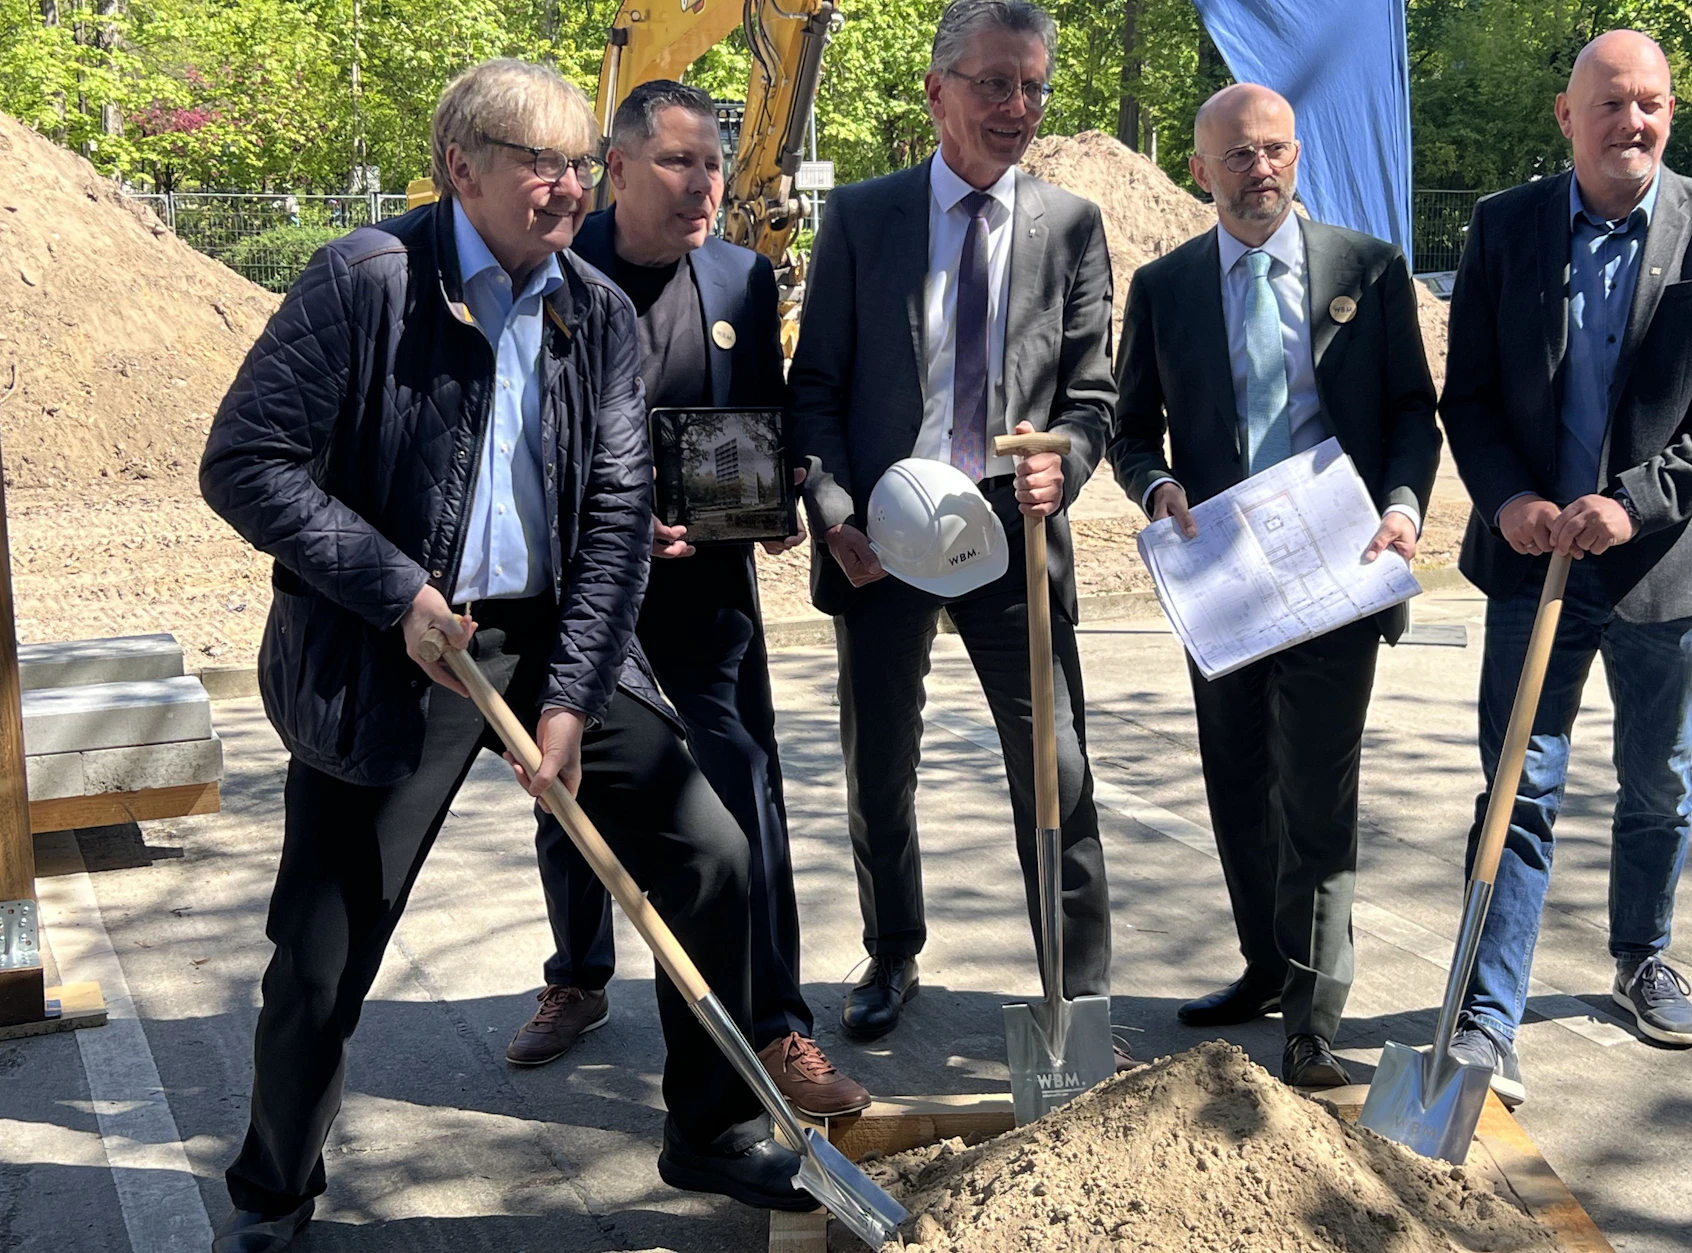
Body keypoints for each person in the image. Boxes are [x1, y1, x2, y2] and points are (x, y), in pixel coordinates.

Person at [199, 59, 817, 1253]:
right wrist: (395, 591)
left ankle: (710, 1127)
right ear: (458, 168)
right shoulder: (365, 282)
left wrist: (576, 697)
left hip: (544, 637)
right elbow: (245, 462)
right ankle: (274, 1193)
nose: (567, 186)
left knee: (712, 855)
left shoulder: (592, 310)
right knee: (324, 950)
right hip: (392, 651)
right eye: (539, 163)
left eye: (579, 162)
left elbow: (615, 518)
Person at [507, 78, 869, 1118]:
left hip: (707, 591)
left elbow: (761, 417)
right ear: (615, 168)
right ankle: (576, 973)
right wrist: (608, 527)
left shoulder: (744, 281)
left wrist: (778, 496)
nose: (703, 182)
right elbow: (521, 448)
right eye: (677, 161)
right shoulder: (552, 281)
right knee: (567, 781)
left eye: (711, 161)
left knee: (744, 788)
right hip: (580, 594)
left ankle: (776, 1024)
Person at [1440, 30, 1692, 1104]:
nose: (1632, 123)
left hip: (1659, 565)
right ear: (1564, 114)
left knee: (1657, 780)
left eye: (1651, 105)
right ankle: (1487, 1017)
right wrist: (1512, 501)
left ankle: (1641, 952)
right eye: (1610, 104)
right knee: (1516, 784)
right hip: (1531, 559)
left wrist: (1630, 503)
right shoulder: (1503, 227)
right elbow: (1473, 395)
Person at [789, 0, 1124, 1057]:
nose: (1015, 107)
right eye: (993, 84)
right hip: (882, 539)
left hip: (1009, 543)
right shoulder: (861, 218)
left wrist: (1060, 464)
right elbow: (817, 389)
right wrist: (835, 513)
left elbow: (1092, 395)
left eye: (1031, 87)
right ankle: (890, 949)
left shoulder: (1069, 226)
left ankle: (1076, 995)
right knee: (877, 762)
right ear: (937, 92)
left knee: (1055, 769)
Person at [1109, 84, 1441, 1088]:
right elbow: (1128, 429)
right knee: (1235, 786)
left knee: (1314, 795)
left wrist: (1402, 505)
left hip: (1335, 569)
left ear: (1295, 157)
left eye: (1273, 152)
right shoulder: (1165, 287)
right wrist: (1156, 483)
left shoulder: (1366, 269)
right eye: (1236, 156)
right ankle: (1261, 961)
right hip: (1221, 579)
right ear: (1200, 171)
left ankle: (1309, 1014)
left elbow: (1409, 414)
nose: (1258, 171)